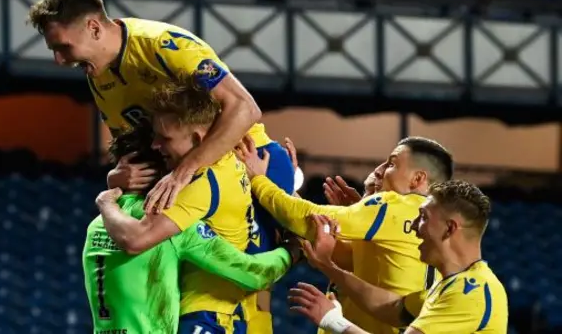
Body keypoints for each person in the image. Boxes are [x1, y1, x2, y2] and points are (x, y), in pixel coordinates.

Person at [28, 0, 294, 329]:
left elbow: (245, 108)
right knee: (196, 301)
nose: (60, 61)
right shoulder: (99, 75)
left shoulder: (164, 45)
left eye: (63, 47)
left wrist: (185, 170)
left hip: (247, 164)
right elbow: (135, 150)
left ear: (94, 27)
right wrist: (117, 177)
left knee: (241, 294)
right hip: (189, 178)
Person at [92, 75, 270, 333]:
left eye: (165, 138)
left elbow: (135, 240)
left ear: (198, 140)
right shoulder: (230, 157)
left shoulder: (196, 186)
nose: (156, 145)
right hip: (231, 313)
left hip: (202, 317)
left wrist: (105, 201)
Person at [85, 125, 299, 334]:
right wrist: (293, 249)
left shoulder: (98, 224)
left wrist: (108, 194)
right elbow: (253, 273)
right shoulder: (171, 227)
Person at [236, 135, 454, 334]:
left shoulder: (397, 205)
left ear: (417, 179)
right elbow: (341, 254)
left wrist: (259, 179)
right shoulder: (426, 220)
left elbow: (305, 219)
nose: (380, 170)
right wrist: (288, 191)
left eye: (392, 164)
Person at [290, 180, 508, 334]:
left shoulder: (470, 293)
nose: (413, 226)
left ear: (450, 228)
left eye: (422, 218)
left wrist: (333, 321)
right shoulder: (452, 285)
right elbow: (393, 308)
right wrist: (329, 266)